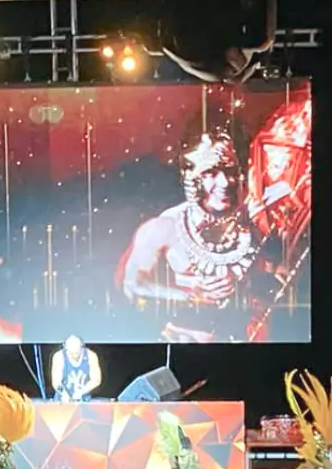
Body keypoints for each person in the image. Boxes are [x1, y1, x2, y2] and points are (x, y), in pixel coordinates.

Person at [118, 131, 277, 342]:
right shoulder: (165, 227)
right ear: (190, 176)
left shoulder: (254, 222)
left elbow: (273, 280)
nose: (225, 182)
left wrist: (258, 280)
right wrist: (192, 296)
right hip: (182, 345)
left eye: (229, 170)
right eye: (210, 172)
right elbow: (133, 286)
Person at [52, 336, 103, 402]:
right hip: (62, 400)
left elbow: (96, 380)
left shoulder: (90, 356)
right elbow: (56, 382)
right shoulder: (59, 356)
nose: (74, 356)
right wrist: (64, 394)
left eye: (77, 353)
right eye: (71, 353)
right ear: (66, 349)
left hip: (84, 400)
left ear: (81, 347)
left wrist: (81, 392)